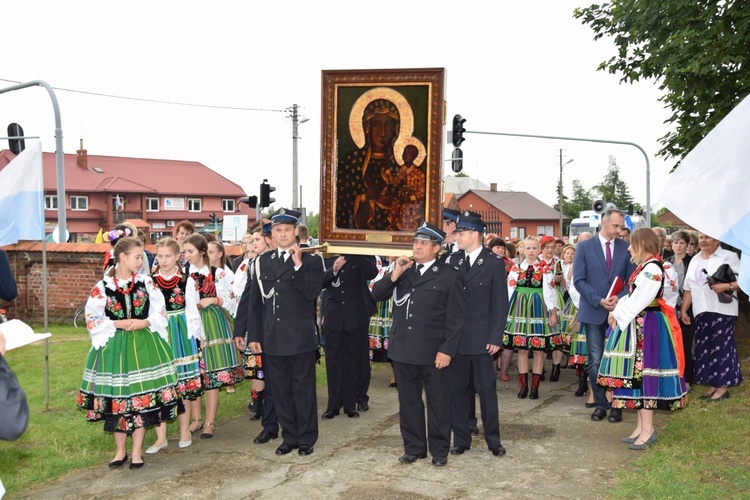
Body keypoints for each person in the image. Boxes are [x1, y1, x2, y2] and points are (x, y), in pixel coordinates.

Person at [77, 237, 182, 469]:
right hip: (115, 348)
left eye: (141, 256)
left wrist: (144, 323)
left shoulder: (147, 283)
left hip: (144, 347)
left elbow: (161, 313)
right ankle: (120, 450)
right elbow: (92, 318)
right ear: (122, 257)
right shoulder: (103, 287)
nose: (140, 260)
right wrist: (117, 324)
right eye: (136, 256)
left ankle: (136, 452)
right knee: (119, 401)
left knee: (140, 400)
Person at [371, 222, 465, 467]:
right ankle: (414, 448)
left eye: (423, 243)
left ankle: (440, 450)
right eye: (415, 242)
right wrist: (395, 273)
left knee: (439, 403)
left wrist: (447, 349)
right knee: (409, 403)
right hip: (403, 349)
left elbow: (456, 319)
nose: (417, 246)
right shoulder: (404, 271)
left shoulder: (449, 276)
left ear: (437, 248)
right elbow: (375, 295)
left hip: (434, 352)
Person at [598, 228, 688, 450]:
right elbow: (632, 295)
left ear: (642, 244)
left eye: (632, 244)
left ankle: (648, 430)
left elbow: (640, 299)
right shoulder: (646, 267)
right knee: (636, 375)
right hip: (639, 324)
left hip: (645, 326)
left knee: (643, 374)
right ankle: (641, 427)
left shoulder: (652, 269)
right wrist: (617, 309)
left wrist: (616, 314)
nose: (628, 248)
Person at [246, 208, 324, 456]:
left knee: (303, 390)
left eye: (287, 230)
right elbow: (256, 303)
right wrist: (255, 336)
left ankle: (306, 438)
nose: (282, 234)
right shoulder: (261, 262)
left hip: (300, 337)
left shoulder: (312, 261)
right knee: (280, 391)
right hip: (274, 337)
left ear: (295, 232)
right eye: (278, 230)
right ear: (272, 234)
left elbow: (311, 293)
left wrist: (298, 265)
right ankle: (288, 436)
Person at [447, 211, 508, 458]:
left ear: (474, 234)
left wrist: (495, 337)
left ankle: (494, 440)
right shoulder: (453, 261)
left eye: (461, 233)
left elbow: (499, 304)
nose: (457, 236)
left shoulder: (493, 263)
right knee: (458, 392)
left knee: (486, 393)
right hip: (457, 340)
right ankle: (461, 439)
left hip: (483, 340)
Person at [573, 209, 634, 422]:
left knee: (617, 361)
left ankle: (617, 405)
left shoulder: (627, 248)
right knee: (595, 361)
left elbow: (630, 281)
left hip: (619, 314)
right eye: (616, 226)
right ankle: (600, 404)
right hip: (593, 311)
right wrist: (598, 299)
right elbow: (579, 280)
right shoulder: (584, 247)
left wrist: (620, 296)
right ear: (604, 223)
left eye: (621, 226)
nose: (619, 230)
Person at [146, 237, 204, 453]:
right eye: (159, 256)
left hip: (181, 334)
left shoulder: (186, 281)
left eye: (167, 256)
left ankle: (184, 431)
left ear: (178, 256)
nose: (163, 260)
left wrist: (197, 337)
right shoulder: (149, 281)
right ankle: (160, 437)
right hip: (158, 333)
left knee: (183, 385)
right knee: (160, 384)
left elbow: (193, 311)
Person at [183, 233, 243, 439]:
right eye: (184, 252)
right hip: (189, 325)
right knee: (193, 372)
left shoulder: (218, 273)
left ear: (202, 252)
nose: (187, 255)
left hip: (213, 324)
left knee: (212, 372)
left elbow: (235, 297)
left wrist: (215, 300)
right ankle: (196, 419)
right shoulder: (183, 274)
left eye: (190, 251)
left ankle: (209, 421)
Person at [233, 220, 280, 445]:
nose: (253, 244)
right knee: (268, 378)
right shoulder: (256, 265)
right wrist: (241, 330)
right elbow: (249, 301)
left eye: (258, 239)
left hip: (290, 332)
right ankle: (269, 426)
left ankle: (291, 424)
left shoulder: (290, 261)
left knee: (286, 382)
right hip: (265, 331)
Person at [681, 233, 742, 402]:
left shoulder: (729, 256)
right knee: (706, 348)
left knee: (721, 348)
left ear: (717, 240)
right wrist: (684, 310)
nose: (703, 241)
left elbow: (744, 282)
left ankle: (722, 388)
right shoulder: (694, 259)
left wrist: (725, 286)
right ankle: (713, 384)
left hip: (722, 309)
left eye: (707, 237)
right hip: (701, 310)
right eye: (701, 237)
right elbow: (688, 287)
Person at [321, 255, 378, 419]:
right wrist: (333, 269)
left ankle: (350, 404)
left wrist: (357, 254)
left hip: (355, 316)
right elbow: (320, 282)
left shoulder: (362, 254)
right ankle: (333, 405)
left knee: (353, 361)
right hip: (334, 316)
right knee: (333, 362)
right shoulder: (329, 255)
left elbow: (371, 273)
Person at [504, 236, 560, 399]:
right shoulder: (515, 269)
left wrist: (553, 313)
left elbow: (550, 293)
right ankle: (523, 386)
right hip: (519, 310)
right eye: (528, 248)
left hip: (538, 309)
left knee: (538, 349)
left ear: (539, 250)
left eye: (534, 248)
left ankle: (535, 387)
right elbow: (509, 291)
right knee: (521, 349)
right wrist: (505, 313)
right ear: (522, 250)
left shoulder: (545, 269)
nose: (531, 251)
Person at [336, 99, 400, 230]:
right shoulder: (351, 161)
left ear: (395, 129)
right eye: (377, 124)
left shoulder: (399, 164)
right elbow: (342, 204)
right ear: (367, 128)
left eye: (388, 125)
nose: (382, 132)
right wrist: (365, 197)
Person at [666, 230, 695, 389]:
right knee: (671, 344)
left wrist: (682, 308)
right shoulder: (666, 262)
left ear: (687, 245)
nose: (678, 246)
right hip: (668, 308)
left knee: (685, 344)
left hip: (686, 308)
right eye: (675, 242)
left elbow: (691, 287)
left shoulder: (692, 262)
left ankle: (687, 380)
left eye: (682, 243)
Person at [487, 237, 515, 382]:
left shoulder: (510, 264)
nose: (500, 250)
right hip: (490, 305)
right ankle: (491, 373)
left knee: (506, 340)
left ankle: (504, 369)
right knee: (491, 340)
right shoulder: (485, 262)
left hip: (509, 303)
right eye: (497, 247)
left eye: (502, 248)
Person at [539, 235, 566, 382]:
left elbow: (561, 280)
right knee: (542, 334)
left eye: (552, 247)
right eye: (547, 247)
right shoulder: (537, 263)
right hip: (540, 297)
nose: (550, 250)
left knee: (556, 334)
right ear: (541, 249)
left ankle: (556, 367)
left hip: (556, 297)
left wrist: (559, 279)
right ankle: (540, 367)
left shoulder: (558, 263)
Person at [368, 256, 397, 386]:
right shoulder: (379, 266)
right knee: (371, 340)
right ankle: (366, 368)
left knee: (392, 341)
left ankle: (395, 375)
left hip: (392, 310)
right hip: (378, 308)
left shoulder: (400, 267)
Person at [389, 144, 427, 230]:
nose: (404, 156)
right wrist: (388, 173)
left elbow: (422, 190)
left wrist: (411, 198)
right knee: (394, 206)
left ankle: (407, 230)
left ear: (414, 156)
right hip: (401, 199)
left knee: (406, 208)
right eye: (404, 153)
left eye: (407, 154)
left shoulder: (419, 173)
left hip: (414, 201)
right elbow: (394, 183)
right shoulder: (401, 170)